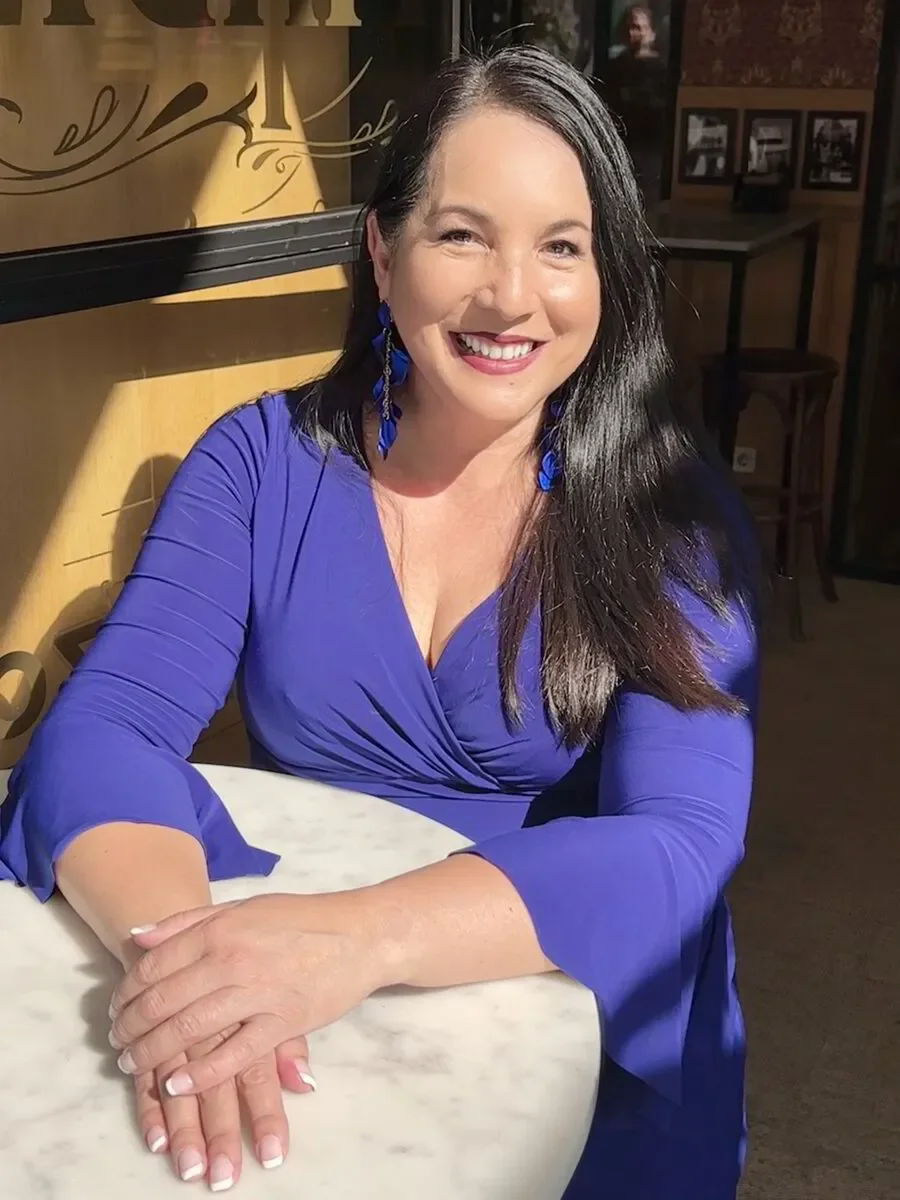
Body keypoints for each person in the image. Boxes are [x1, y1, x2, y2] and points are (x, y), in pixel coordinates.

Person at [0, 45, 758, 1199]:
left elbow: (680, 843)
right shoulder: (260, 465)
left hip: (576, 1017)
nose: (512, 296)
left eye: (563, 246)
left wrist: (354, 939)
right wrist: (194, 980)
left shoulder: (669, 518)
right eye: (462, 235)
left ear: (608, 276)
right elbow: (103, 731)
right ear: (383, 250)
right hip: (314, 1034)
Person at [601, 5, 669, 201]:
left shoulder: (660, 69)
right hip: (621, 140)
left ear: (651, 31)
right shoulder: (615, 66)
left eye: (639, 28)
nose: (633, 33)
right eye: (629, 28)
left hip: (651, 143)